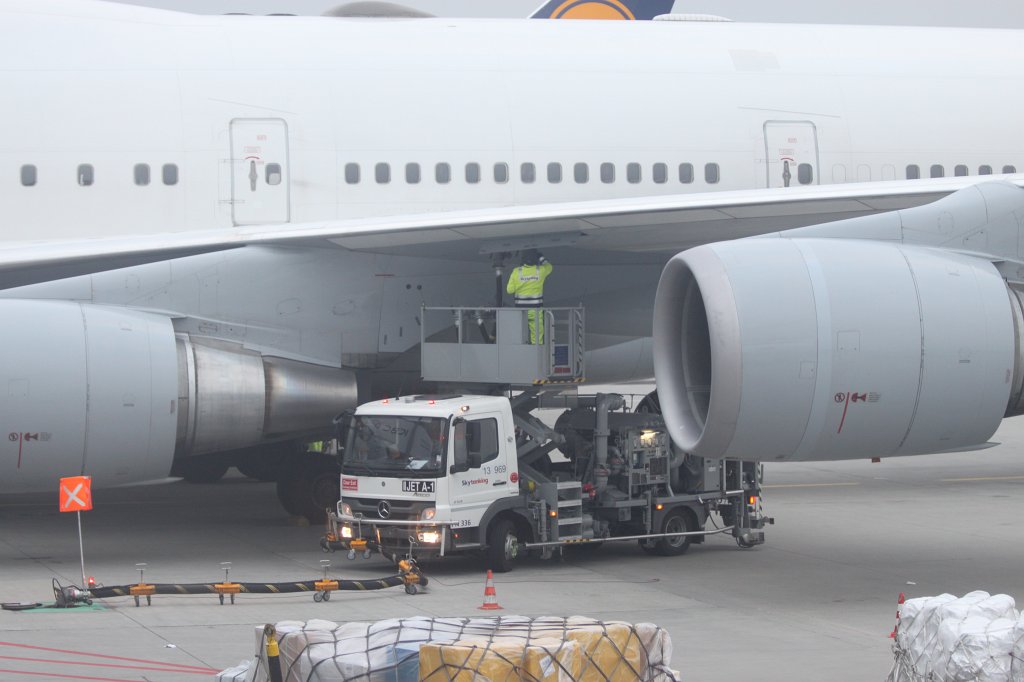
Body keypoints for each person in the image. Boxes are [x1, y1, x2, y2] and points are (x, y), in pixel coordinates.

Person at [506, 249, 552, 344]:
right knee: (537, 334)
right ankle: (536, 353)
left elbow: (509, 290)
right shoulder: (540, 271)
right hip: (536, 310)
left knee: (519, 333)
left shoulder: (516, 272)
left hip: (520, 311)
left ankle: (520, 353)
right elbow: (549, 267)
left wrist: (520, 284)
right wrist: (542, 258)